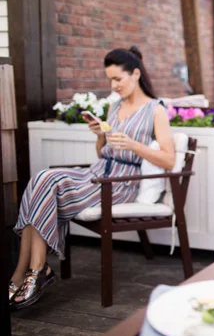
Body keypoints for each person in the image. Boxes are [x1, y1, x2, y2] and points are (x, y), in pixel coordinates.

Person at [9, 47, 176, 309]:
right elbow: (103, 152)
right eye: (110, 79)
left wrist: (135, 146)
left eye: (117, 79)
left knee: (45, 185)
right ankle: (33, 270)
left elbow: (169, 159)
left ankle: (30, 272)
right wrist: (100, 135)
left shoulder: (156, 110)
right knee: (42, 178)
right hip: (97, 173)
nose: (113, 85)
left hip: (120, 185)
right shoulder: (115, 106)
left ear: (135, 74)